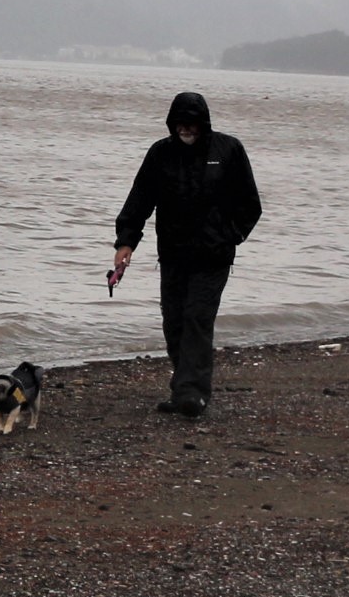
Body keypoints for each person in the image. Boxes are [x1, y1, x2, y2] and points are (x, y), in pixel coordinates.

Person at [108, 88, 262, 418]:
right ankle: (183, 389)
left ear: (203, 124)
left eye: (191, 124)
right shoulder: (160, 154)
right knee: (174, 321)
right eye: (179, 123)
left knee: (197, 318)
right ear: (171, 124)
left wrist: (230, 237)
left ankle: (193, 394)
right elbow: (139, 202)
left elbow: (250, 204)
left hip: (213, 256)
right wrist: (125, 244)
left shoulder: (229, 150)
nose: (185, 129)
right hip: (174, 255)